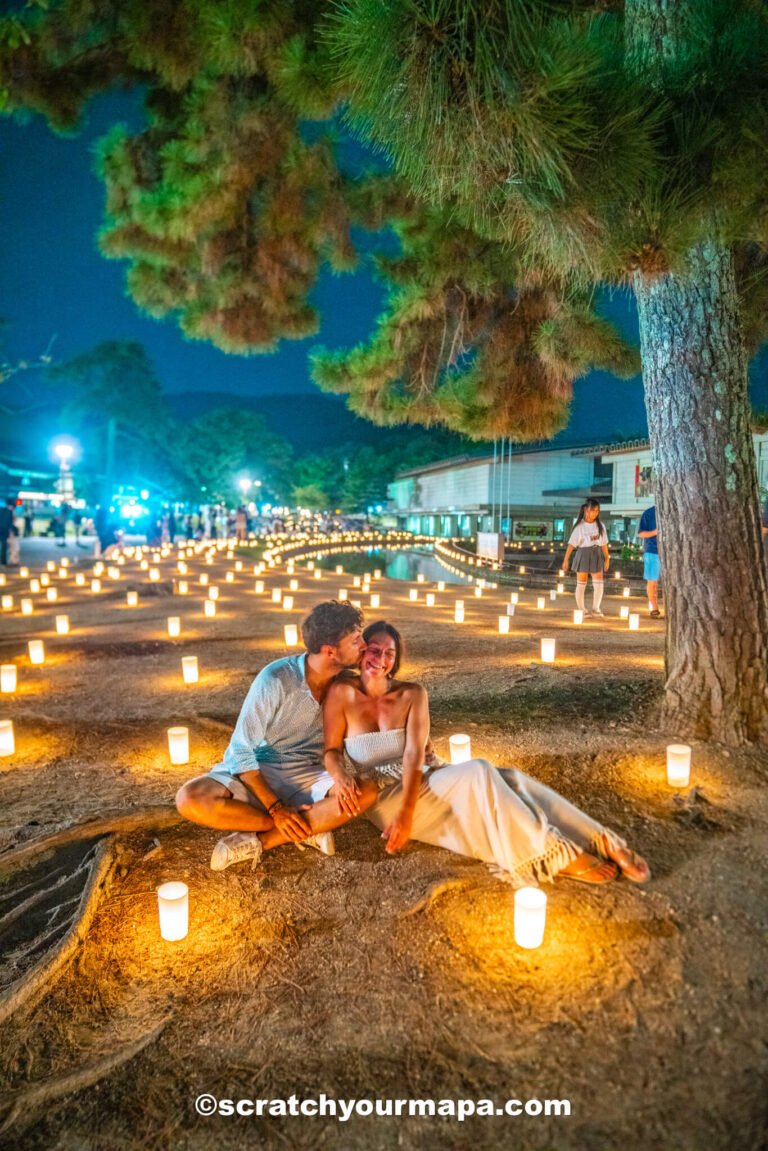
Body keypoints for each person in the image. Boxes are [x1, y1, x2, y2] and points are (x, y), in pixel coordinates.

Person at [323, 621, 650, 886]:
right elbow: (332, 750)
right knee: (480, 771)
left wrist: (407, 814)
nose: (380, 658)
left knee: (512, 779)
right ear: (363, 650)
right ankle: (555, 852)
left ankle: (603, 840)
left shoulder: (412, 694)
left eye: (389, 653)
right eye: (374, 650)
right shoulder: (342, 692)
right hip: (383, 796)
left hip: (422, 778)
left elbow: (413, 757)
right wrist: (340, 775)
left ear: (397, 660)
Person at [175, 601, 381, 871]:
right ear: (330, 651)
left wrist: (341, 773)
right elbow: (240, 750)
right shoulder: (276, 679)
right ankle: (309, 824)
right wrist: (276, 809)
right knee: (190, 799)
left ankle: (261, 840)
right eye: (355, 641)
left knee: (365, 791)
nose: (364, 645)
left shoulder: (348, 684)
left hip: (312, 774)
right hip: (261, 769)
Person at [562, 498, 610, 617]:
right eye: (592, 510)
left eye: (597, 511)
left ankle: (596, 608)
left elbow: (604, 543)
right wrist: (565, 560)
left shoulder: (600, 526)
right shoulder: (579, 526)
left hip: (597, 553)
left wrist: (607, 558)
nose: (594, 513)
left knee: (599, 583)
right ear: (585, 509)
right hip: (583, 553)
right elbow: (571, 544)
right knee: (581, 584)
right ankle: (582, 610)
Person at [637, 504, 661, 617]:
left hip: (670, 551)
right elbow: (641, 533)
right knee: (652, 582)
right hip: (652, 551)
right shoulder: (649, 513)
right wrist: (656, 532)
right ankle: (654, 608)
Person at [0, 498, 15, 566]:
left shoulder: (1, 510)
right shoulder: (9, 512)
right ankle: (3, 561)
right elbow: (9, 523)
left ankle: (3, 561)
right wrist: (11, 531)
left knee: (4, 546)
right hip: (4, 531)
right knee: (4, 546)